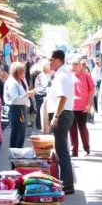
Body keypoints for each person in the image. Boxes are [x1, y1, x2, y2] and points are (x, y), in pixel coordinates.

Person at [46, 49, 76, 194]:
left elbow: (62, 97)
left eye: (51, 59)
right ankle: (67, 182)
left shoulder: (62, 75)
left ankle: (67, 184)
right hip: (64, 114)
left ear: (58, 60)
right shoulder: (62, 74)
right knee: (62, 149)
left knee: (62, 150)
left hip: (62, 115)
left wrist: (56, 116)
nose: (49, 62)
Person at [69, 55, 96, 157]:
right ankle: (74, 150)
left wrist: (89, 104)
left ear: (80, 65)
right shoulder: (69, 76)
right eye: (73, 64)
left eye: (76, 64)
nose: (74, 66)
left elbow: (92, 89)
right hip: (71, 107)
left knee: (82, 128)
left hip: (82, 107)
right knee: (72, 129)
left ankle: (86, 147)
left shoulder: (86, 76)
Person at [4, 61, 34, 148]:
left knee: (21, 133)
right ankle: (14, 154)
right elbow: (14, 99)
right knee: (17, 133)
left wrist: (28, 93)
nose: (22, 73)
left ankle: (18, 153)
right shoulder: (11, 82)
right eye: (20, 71)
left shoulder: (20, 79)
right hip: (15, 108)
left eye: (23, 71)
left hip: (21, 107)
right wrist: (27, 94)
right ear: (15, 72)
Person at [32, 61, 51, 131]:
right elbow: (41, 87)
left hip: (39, 94)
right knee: (40, 110)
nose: (50, 69)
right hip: (40, 95)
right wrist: (47, 89)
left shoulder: (42, 75)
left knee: (40, 110)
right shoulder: (42, 76)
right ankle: (39, 125)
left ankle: (39, 125)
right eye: (49, 67)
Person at [91, 56, 102, 122]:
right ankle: (97, 111)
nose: (97, 63)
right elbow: (93, 78)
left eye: (98, 61)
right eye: (96, 61)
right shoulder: (94, 69)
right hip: (97, 85)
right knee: (96, 97)